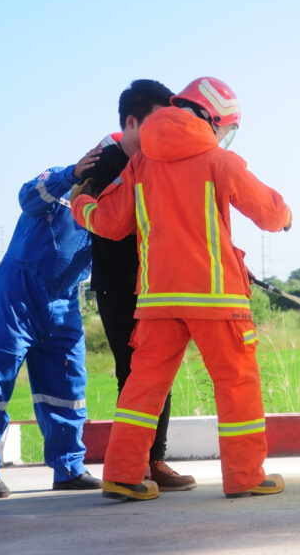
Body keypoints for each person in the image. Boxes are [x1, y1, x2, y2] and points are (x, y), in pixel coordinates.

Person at [71, 76, 292, 501]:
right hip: (216, 298)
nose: (224, 137)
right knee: (236, 384)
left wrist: (81, 204)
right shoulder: (219, 162)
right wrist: (286, 217)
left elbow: (111, 223)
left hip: (157, 301)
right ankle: (245, 475)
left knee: (143, 388)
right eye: (226, 129)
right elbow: (267, 212)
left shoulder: (141, 164)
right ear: (212, 119)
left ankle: (121, 474)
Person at [0, 148, 103, 498]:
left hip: (64, 301)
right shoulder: (61, 182)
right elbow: (27, 197)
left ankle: (69, 467)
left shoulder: (112, 206)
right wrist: (71, 174)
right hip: (17, 296)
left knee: (68, 384)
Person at [81, 79, 196, 492]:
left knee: (160, 373)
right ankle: (135, 465)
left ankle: (156, 459)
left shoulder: (158, 161)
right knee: (133, 374)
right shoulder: (102, 164)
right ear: (131, 122)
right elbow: (96, 217)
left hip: (159, 286)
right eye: (155, 123)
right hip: (118, 286)